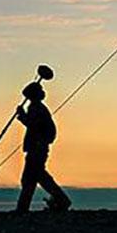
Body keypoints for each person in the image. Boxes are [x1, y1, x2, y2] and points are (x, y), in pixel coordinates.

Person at [15, 81, 71, 213]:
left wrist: (22, 116)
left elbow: (33, 126)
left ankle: (62, 200)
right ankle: (23, 208)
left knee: (33, 178)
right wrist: (23, 115)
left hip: (37, 148)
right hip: (38, 148)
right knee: (34, 178)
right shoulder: (38, 107)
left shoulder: (36, 108)